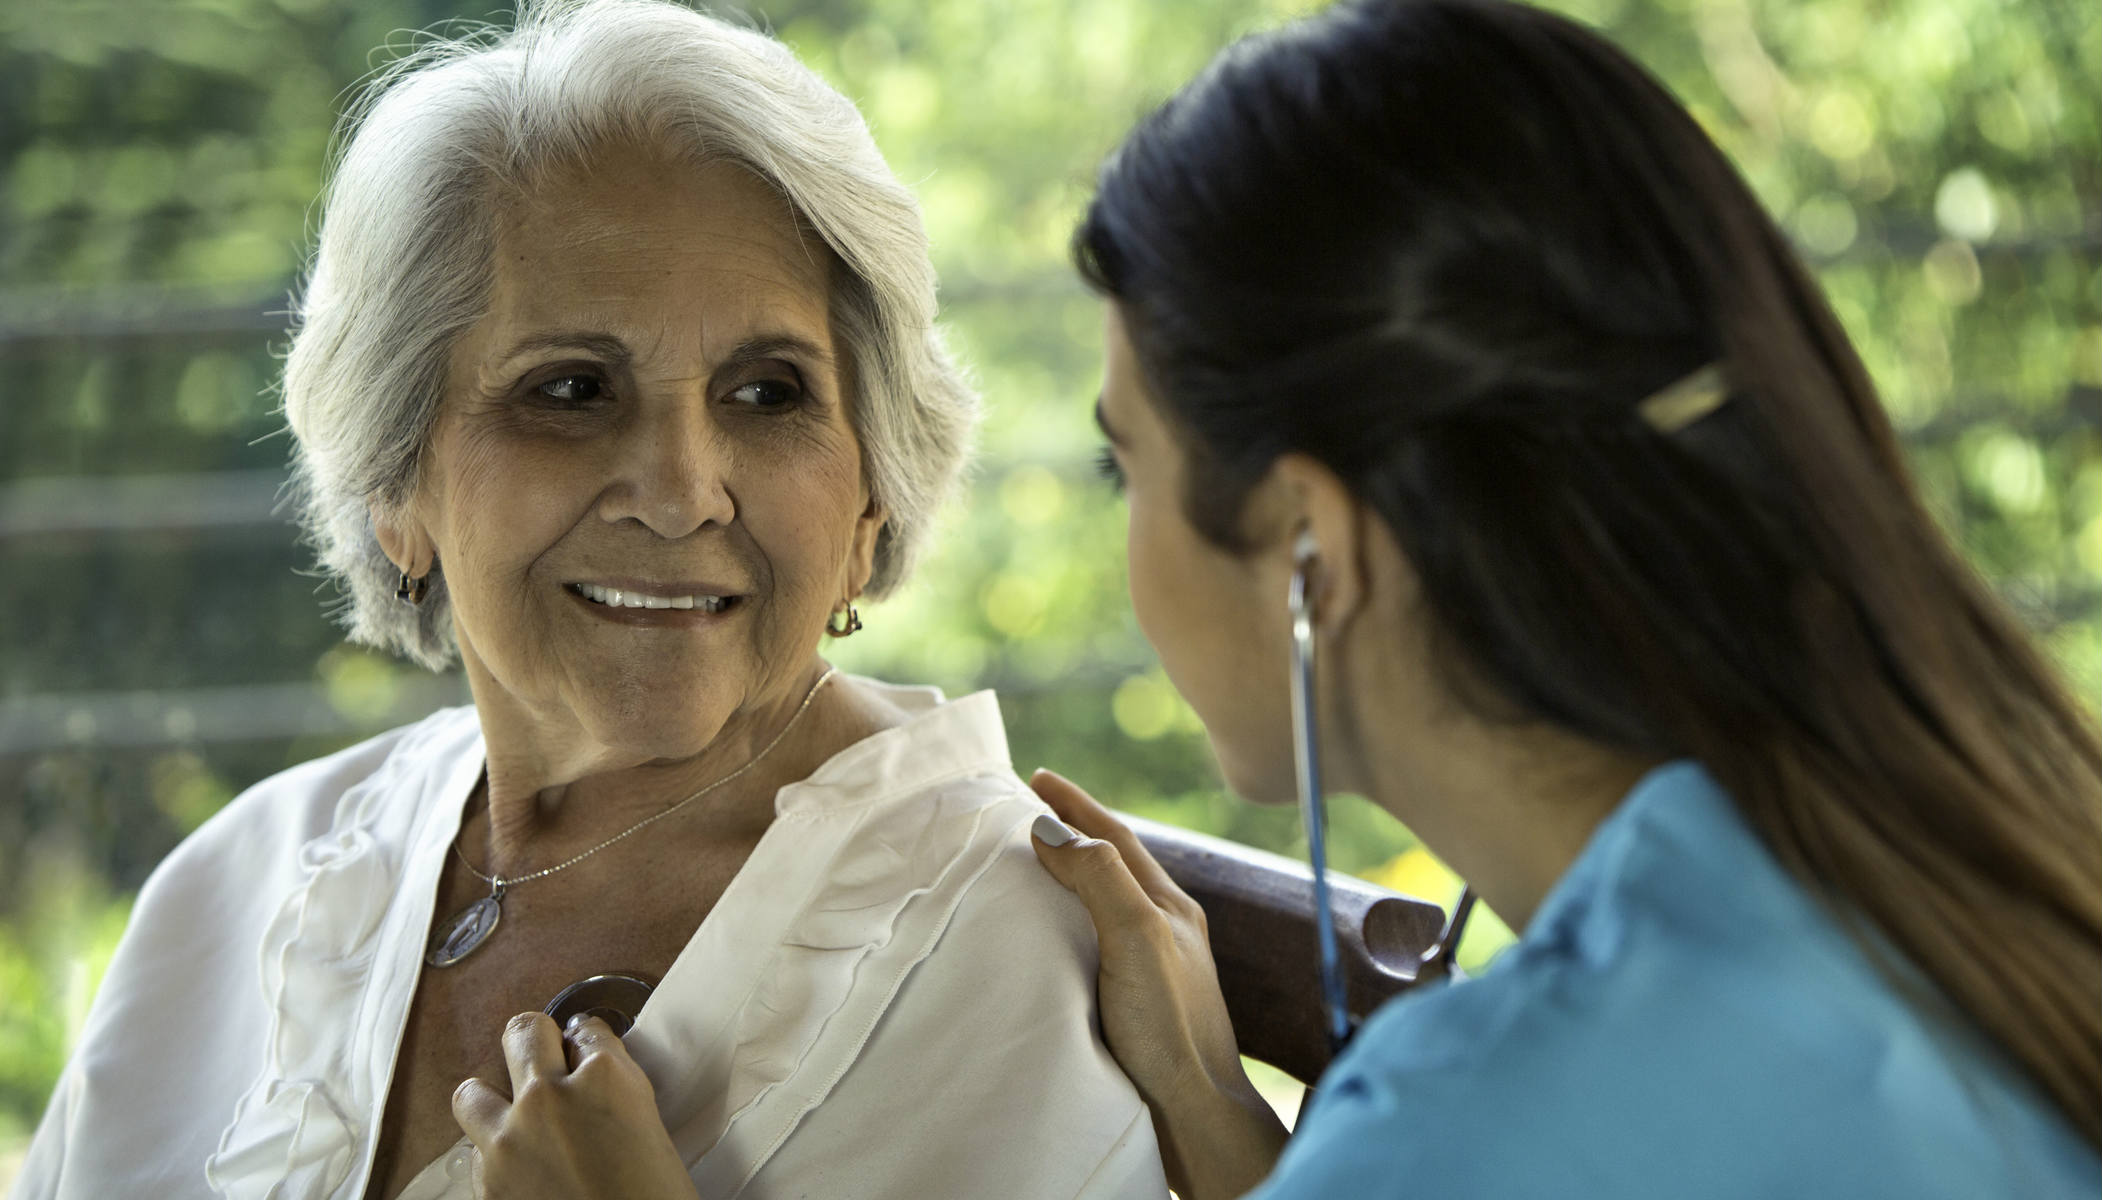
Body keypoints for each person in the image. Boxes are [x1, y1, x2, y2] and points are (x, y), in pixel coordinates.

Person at [11, 2, 1168, 1198]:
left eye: (768, 394)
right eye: (570, 388)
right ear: (391, 481)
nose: (679, 495)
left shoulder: (996, 959)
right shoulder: (242, 880)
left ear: (871, 490)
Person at [1024, 0, 2102, 1196]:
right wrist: (1217, 1112)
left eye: (1123, 464)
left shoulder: (1462, 1135)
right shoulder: (1965, 872)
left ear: (1305, 544)